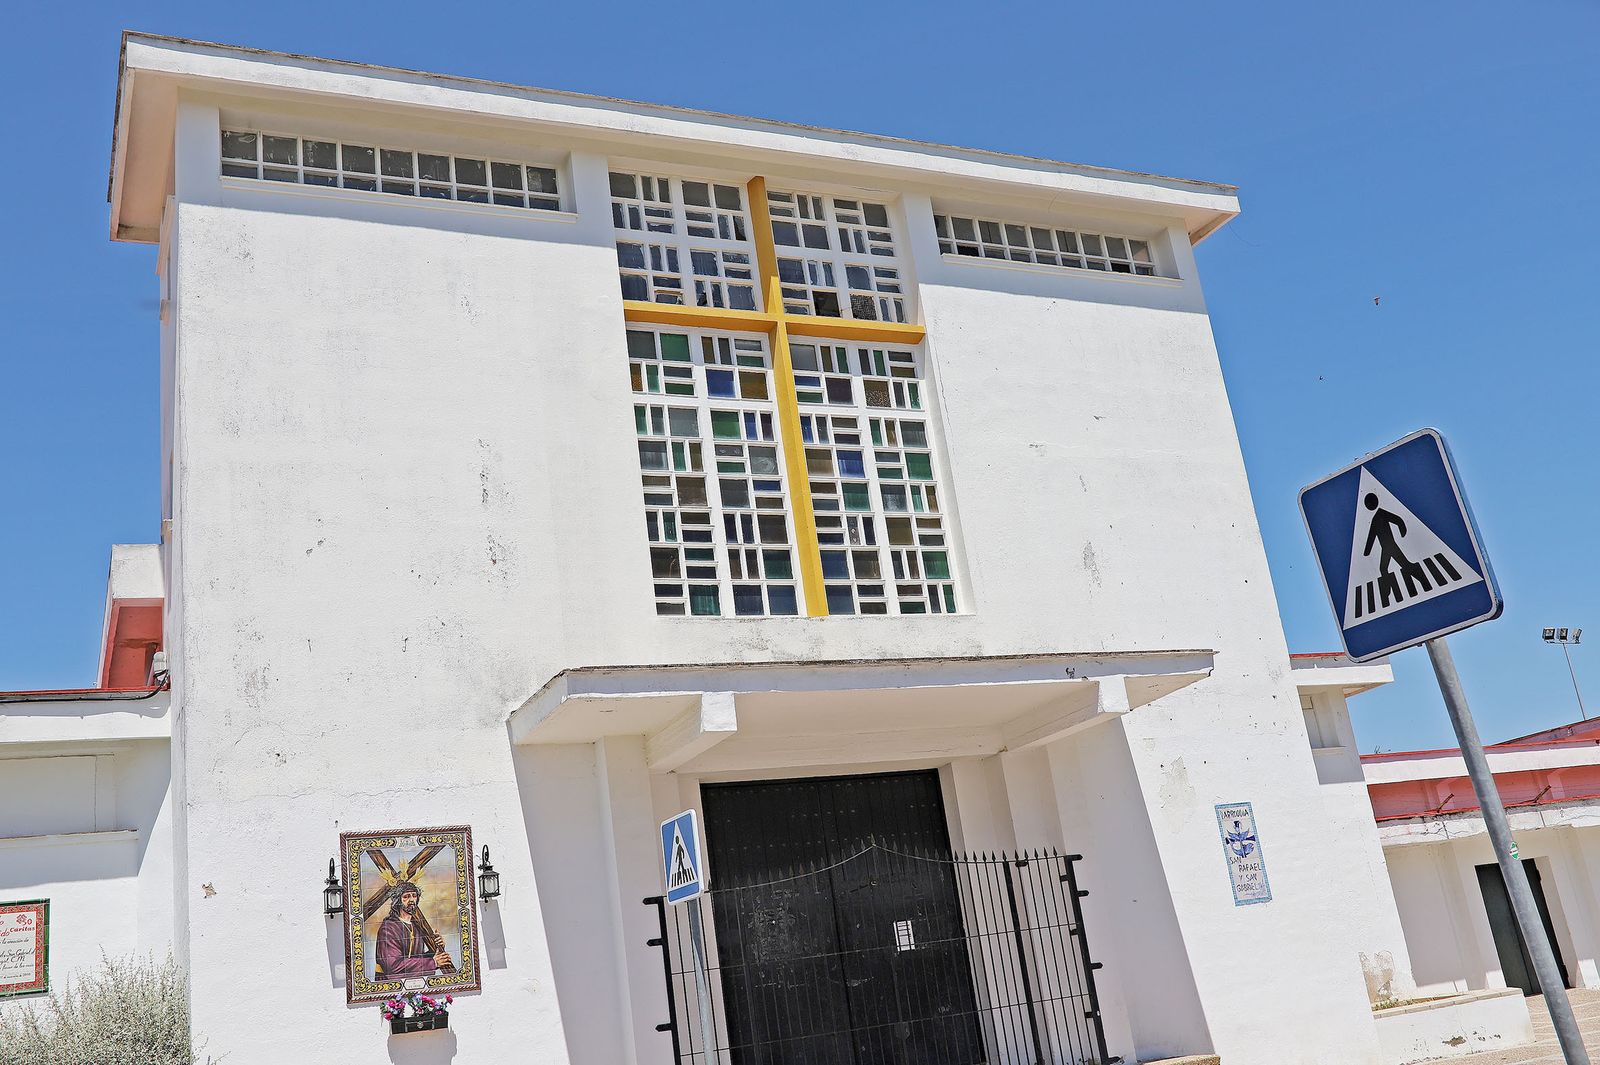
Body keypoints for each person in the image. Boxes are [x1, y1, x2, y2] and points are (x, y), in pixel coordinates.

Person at [374, 882, 451, 978]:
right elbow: (393, 966)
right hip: (391, 985)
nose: (411, 900)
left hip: (415, 982)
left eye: (414, 896)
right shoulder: (388, 928)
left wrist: (436, 953)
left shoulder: (416, 926)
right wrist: (432, 963)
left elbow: (416, 959)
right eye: (406, 897)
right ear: (398, 901)